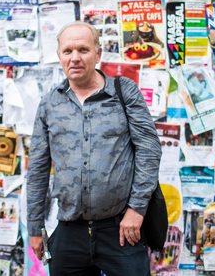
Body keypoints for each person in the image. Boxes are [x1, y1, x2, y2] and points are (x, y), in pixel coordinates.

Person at [27, 21, 162, 275]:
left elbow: (149, 150)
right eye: (68, 51)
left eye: (83, 50)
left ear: (98, 54)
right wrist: (35, 227)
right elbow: (37, 168)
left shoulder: (124, 92)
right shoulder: (49, 104)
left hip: (121, 229)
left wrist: (136, 210)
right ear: (59, 56)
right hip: (69, 230)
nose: (75, 58)